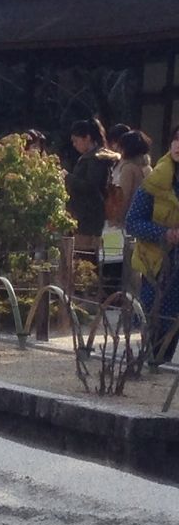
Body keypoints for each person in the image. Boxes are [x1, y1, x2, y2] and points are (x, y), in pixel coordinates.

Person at [123, 127, 179, 365]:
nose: (178, 145)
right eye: (176, 139)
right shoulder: (156, 180)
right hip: (159, 263)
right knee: (159, 324)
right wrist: (165, 233)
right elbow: (133, 222)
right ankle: (155, 365)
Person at [65, 118, 118, 271]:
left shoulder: (95, 159)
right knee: (85, 258)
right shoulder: (96, 157)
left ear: (87, 137)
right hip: (87, 215)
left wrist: (68, 177)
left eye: (76, 141)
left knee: (85, 258)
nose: (74, 145)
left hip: (88, 216)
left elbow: (90, 186)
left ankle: (87, 291)